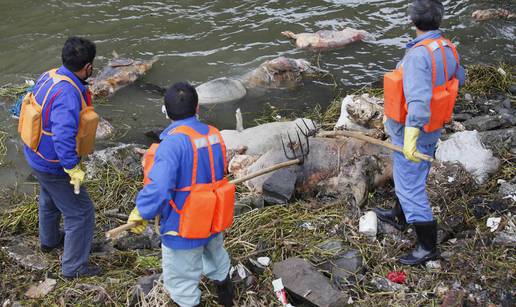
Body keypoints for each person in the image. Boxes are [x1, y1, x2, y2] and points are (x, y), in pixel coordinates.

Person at [128, 82, 234, 307]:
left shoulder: (171, 144)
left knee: (182, 282)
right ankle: (226, 298)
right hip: (213, 216)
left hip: (184, 225)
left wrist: (141, 211)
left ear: (166, 112)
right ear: (197, 108)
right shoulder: (214, 134)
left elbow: (159, 188)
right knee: (217, 259)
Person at [376, 0, 465, 265]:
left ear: (412, 21)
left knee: (411, 187)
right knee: (407, 177)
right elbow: (459, 77)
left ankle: (427, 247)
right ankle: (399, 216)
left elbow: (417, 102)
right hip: (432, 129)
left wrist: (411, 138)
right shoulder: (447, 47)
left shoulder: (418, 55)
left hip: (412, 130)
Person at [22, 37, 101, 278]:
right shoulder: (68, 93)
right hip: (53, 164)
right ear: (87, 67)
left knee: (49, 199)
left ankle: (50, 241)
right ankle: (74, 268)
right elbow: (63, 136)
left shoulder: (50, 75)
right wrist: (72, 168)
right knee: (81, 212)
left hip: (35, 154)